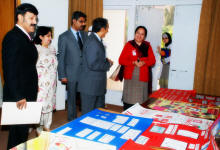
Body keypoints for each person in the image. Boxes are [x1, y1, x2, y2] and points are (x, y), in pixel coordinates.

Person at [2, 3, 38, 149]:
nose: (34, 21)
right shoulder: (13, 37)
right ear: (20, 17)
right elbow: (9, 69)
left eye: (35, 18)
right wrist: (19, 95)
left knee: (21, 132)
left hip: (26, 92)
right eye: (31, 18)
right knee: (18, 134)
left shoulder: (25, 37)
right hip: (20, 96)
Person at [78, 18, 113, 115]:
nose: (108, 30)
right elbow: (93, 64)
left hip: (96, 85)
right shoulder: (93, 42)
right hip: (90, 86)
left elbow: (95, 59)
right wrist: (108, 64)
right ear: (102, 29)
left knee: (96, 114)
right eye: (107, 28)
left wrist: (105, 60)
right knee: (88, 115)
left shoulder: (96, 40)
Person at [57, 11, 87, 121]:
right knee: (72, 99)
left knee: (85, 98)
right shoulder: (64, 37)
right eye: (81, 21)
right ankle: (72, 121)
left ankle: (85, 119)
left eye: (84, 22)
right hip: (71, 74)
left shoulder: (84, 35)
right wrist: (62, 75)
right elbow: (61, 57)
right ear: (74, 21)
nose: (83, 24)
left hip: (84, 74)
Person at [119, 26, 156, 110]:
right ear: (135, 34)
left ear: (145, 36)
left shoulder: (147, 46)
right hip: (130, 78)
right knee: (129, 100)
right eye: (138, 33)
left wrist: (144, 62)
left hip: (142, 79)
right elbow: (121, 60)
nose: (139, 35)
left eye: (142, 34)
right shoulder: (129, 45)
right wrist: (133, 62)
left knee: (140, 103)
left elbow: (153, 61)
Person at [33, 26, 57, 134]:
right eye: (48, 36)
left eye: (50, 36)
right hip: (40, 82)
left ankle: (47, 126)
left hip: (51, 83)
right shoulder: (35, 49)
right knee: (40, 105)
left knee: (49, 104)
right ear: (40, 37)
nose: (50, 38)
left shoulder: (52, 49)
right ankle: (38, 127)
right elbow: (31, 67)